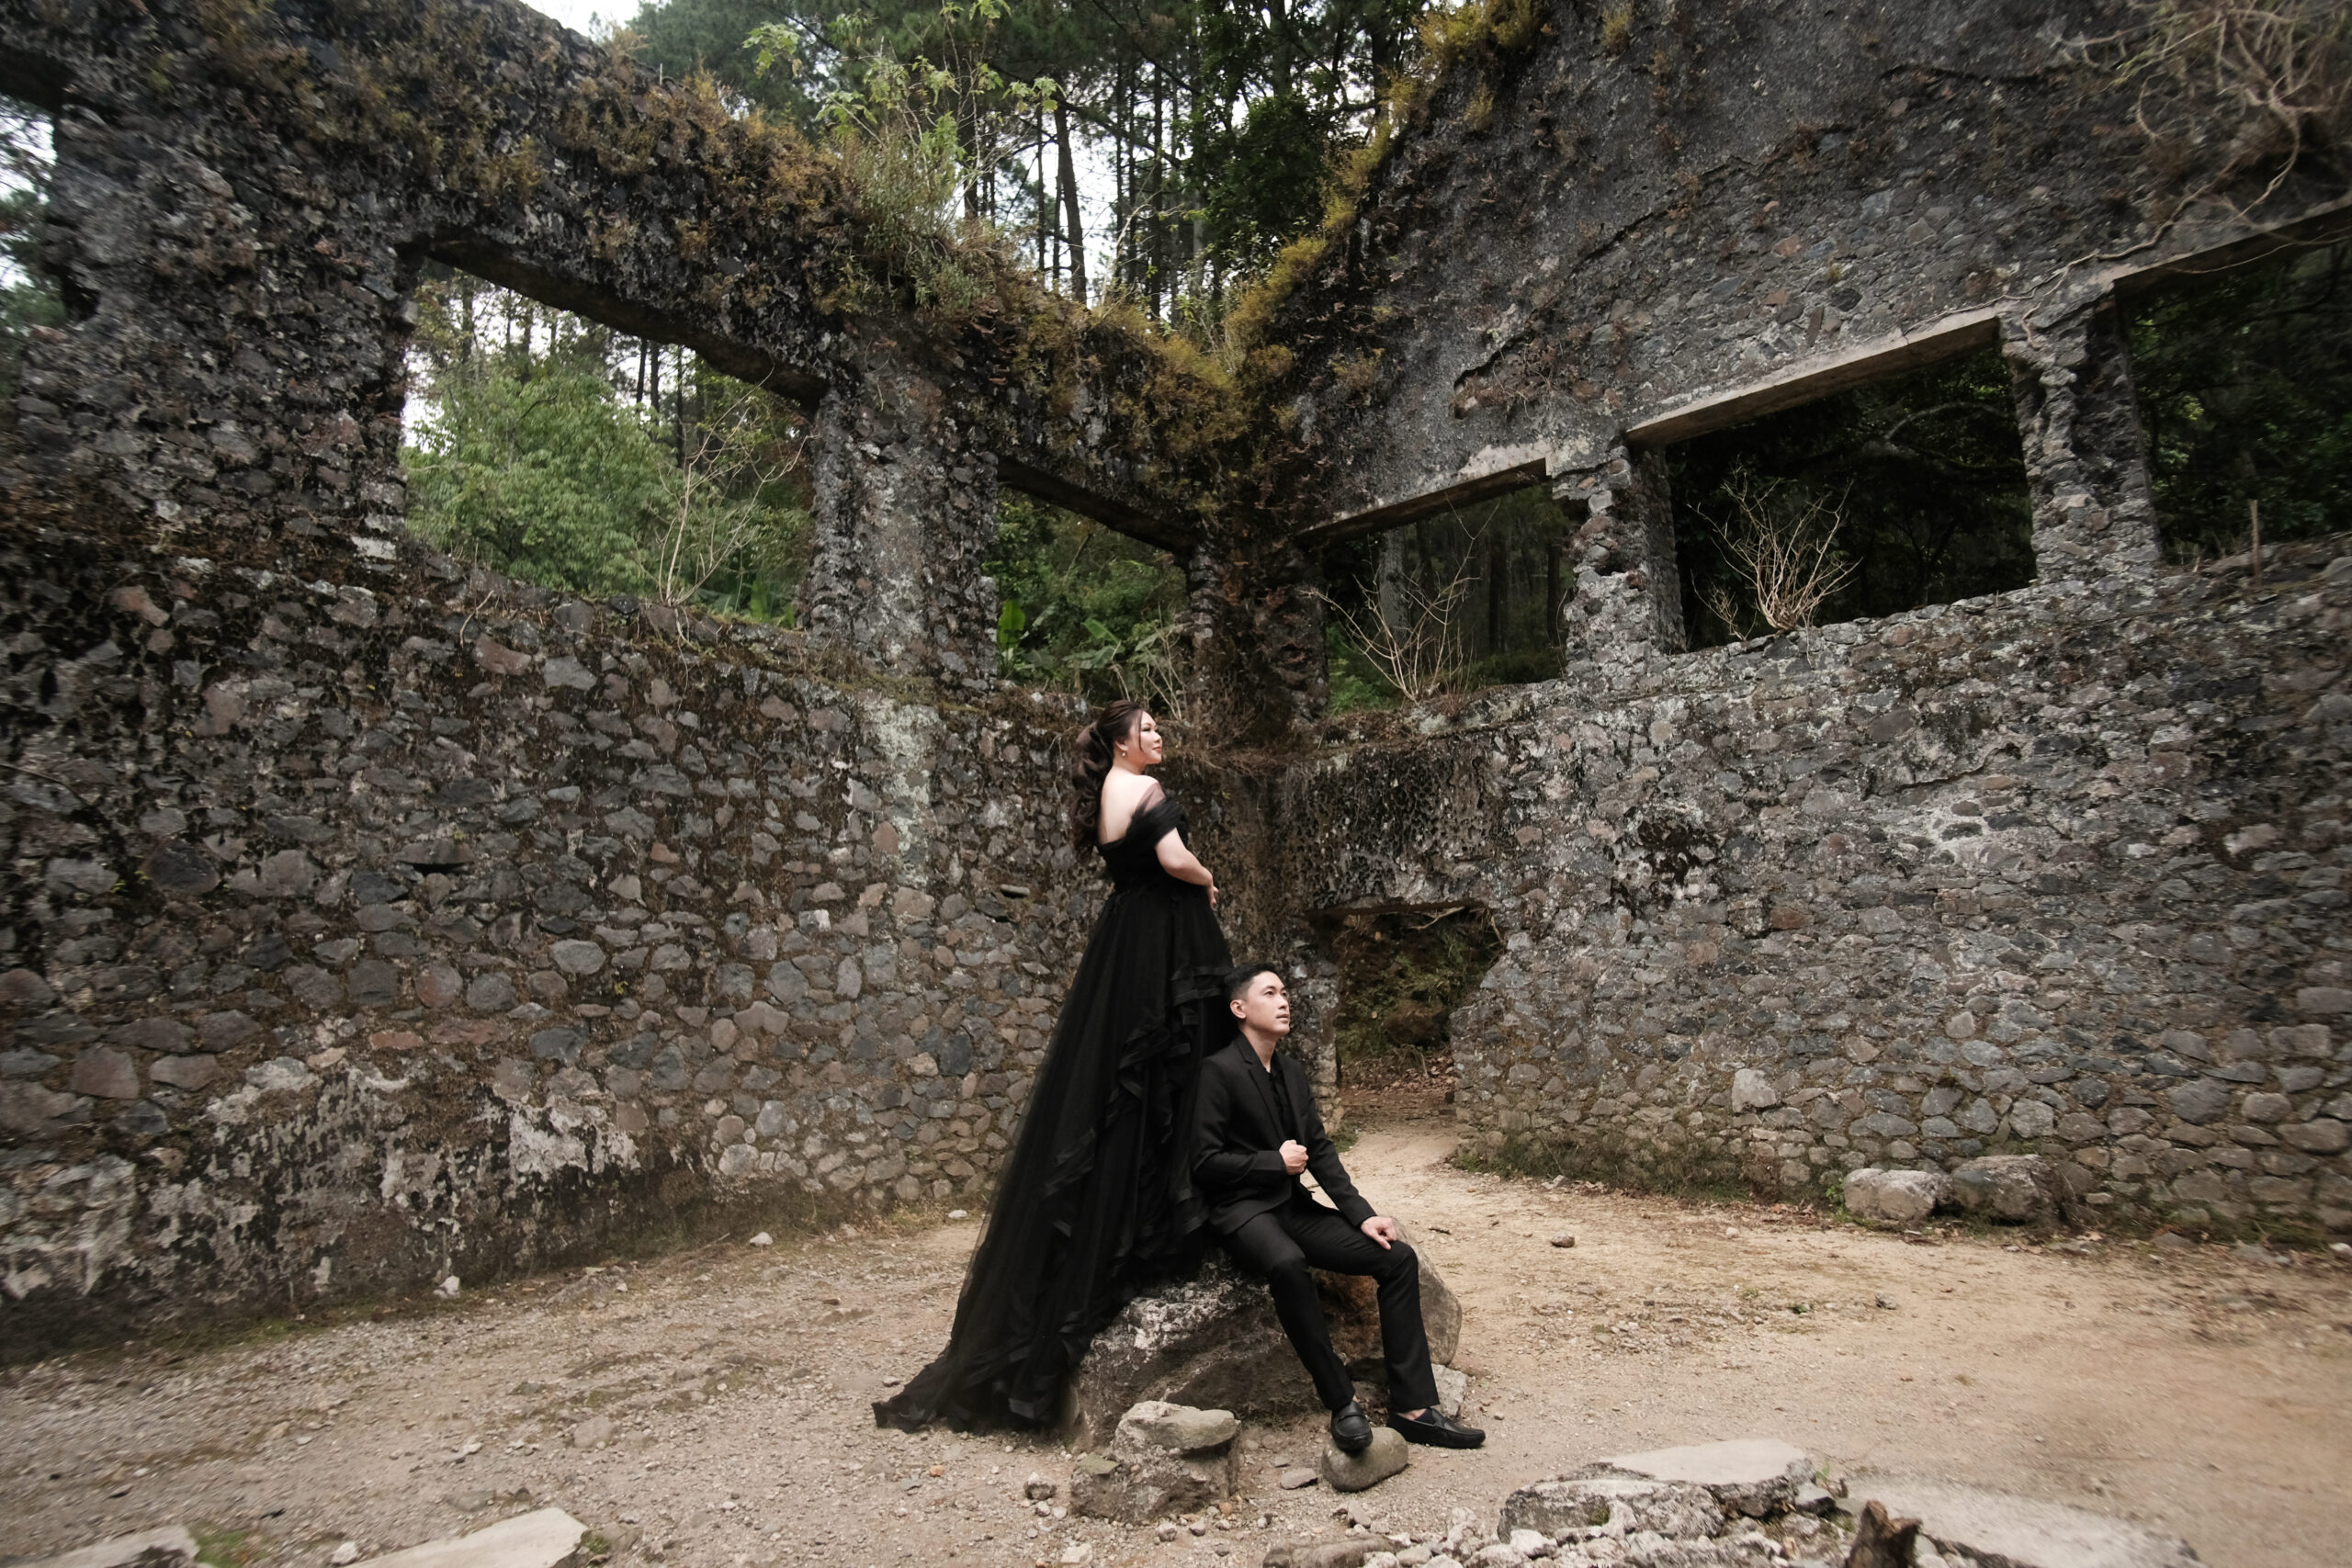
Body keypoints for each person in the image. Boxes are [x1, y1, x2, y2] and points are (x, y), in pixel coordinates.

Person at [876, 700, 1232, 1431]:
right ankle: (1162, 1226)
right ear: (1122, 743)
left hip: (1125, 940)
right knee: (1163, 1072)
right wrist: (1206, 879)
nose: (1158, 734)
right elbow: (1171, 859)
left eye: (1157, 726)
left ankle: (1134, 1224)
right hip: (1161, 938)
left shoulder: (1107, 793)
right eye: (1147, 728)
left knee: (1119, 1091)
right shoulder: (1144, 788)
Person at [1193, 964, 1486, 1452]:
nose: (1284, 1001)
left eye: (1285, 992)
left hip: (1292, 1208)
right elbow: (1203, 1163)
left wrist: (1362, 1214)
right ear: (1239, 1008)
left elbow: (1321, 1150)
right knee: (1287, 1263)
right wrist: (1273, 1163)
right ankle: (1342, 1402)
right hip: (1241, 1212)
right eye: (1270, 993)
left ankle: (1413, 1409)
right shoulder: (1217, 1071)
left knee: (1397, 1258)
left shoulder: (1290, 1072)